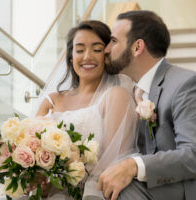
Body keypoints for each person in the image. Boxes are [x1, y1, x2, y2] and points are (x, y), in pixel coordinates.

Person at [98, 10, 196, 200]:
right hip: (148, 188)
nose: (106, 49)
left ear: (137, 47)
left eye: (114, 41)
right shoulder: (127, 92)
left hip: (183, 191)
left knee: (119, 191)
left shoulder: (186, 84)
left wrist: (133, 165)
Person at [36, 20, 139, 199]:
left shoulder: (116, 96)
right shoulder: (51, 100)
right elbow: (33, 148)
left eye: (97, 49)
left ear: (107, 55)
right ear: (71, 57)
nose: (87, 57)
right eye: (80, 50)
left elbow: (115, 161)